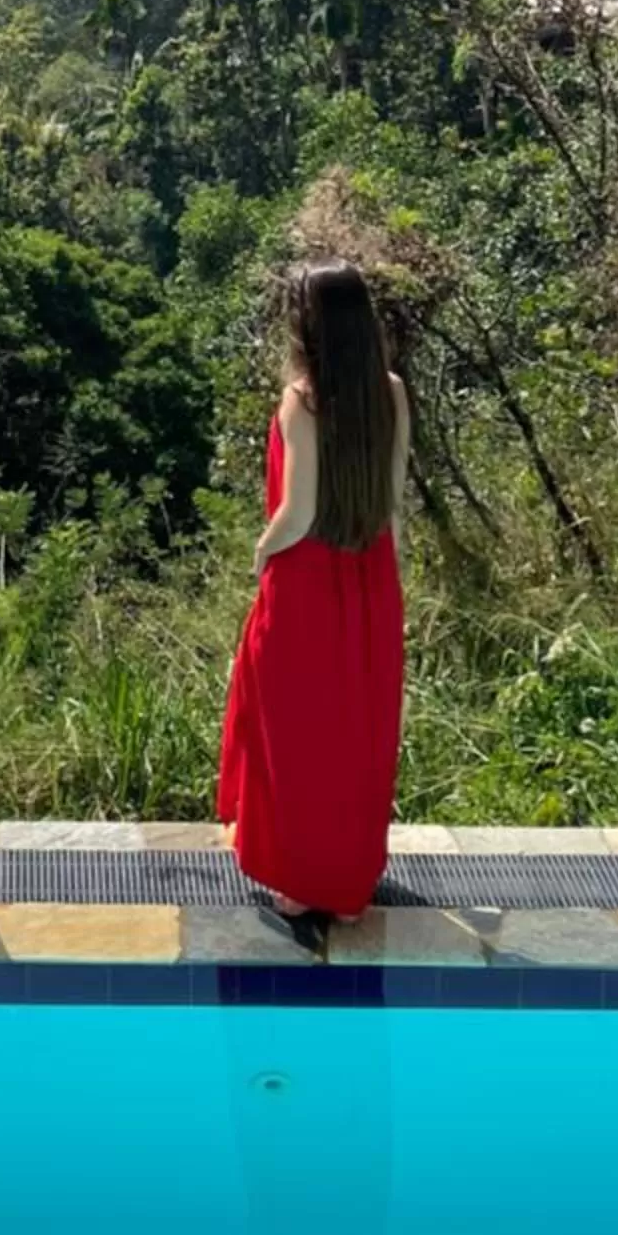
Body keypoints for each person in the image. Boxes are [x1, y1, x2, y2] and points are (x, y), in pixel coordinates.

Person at [217, 258, 408, 921]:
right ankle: (347, 884)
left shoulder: (302, 399)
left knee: (295, 736)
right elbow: (390, 499)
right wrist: (390, 592)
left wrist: (260, 552)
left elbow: (295, 513)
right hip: (371, 582)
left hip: (307, 586)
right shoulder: (390, 391)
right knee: (357, 736)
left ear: (310, 326)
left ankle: (298, 886)